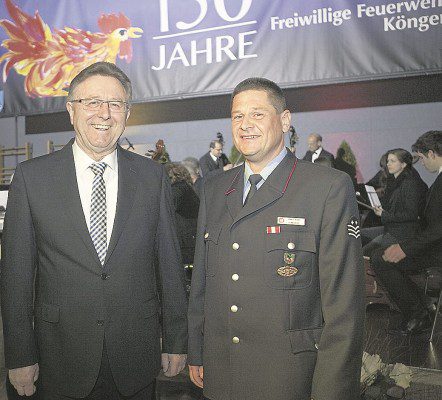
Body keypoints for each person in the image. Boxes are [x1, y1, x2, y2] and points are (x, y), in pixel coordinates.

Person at [0, 62, 188, 400]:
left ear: (126, 113)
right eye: (92, 102)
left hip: (136, 358)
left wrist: (176, 339)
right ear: (71, 110)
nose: (104, 113)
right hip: (57, 359)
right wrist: (19, 355)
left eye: (115, 104)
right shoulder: (31, 179)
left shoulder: (152, 178)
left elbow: (169, 266)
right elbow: (16, 276)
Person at [188, 77, 364, 400]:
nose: (245, 125)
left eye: (257, 114)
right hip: (222, 374)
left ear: (284, 121)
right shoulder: (214, 188)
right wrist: (196, 350)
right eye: (237, 116)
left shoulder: (326, 188)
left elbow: (344, 311)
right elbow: (202, 280)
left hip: (289, 380)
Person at [371, 131, 442, 335]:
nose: (420, 163)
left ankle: (418, 314)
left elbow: (437, 228)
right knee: (382, 256)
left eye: (420, 158)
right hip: (432, 245)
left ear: (431, 153)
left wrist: (405, 247)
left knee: (381, 258)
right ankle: (423, 308)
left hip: (436, 250)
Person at [361, 148, 427, 257]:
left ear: (403, 164)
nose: (388, 164)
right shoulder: (395, 181)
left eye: (392, 161)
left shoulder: (410, 183)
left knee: (365, 252)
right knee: (360, 236)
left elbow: (411, 214)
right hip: (393, 228)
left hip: (402, 233)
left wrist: (383, 214)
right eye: (388, 161)